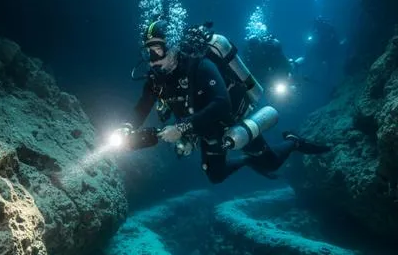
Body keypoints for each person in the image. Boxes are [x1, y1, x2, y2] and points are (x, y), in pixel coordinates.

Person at [120, 19, 330, 184]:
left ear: (173, 46)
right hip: (204, 129)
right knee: (216, 176)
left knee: (272, 163)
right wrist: (126, 126)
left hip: (231, 121)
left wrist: (182, 127)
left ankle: (294, 141)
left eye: (158, 49)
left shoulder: (199, 66)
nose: (153, 58)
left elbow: (221, 104)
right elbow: (142, 106)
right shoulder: (155, 79)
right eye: (148, 51)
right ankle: (248, 160)